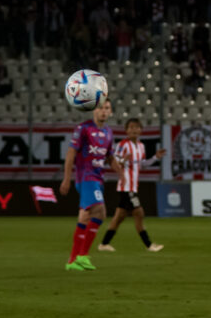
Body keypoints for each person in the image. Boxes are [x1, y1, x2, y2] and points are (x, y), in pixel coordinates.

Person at [58, 99, 123, 272]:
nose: (104, 111)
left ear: (110, 112)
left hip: (98, 179)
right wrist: (66, 178)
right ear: (94, 110)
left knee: (84, 217)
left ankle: (72, 260)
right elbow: (71, 154)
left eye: (107, 108)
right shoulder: (84, 128)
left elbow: (110, 157)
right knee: (100, 212)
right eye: (100, 108)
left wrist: (121, 173)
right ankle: (83, 256)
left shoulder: (108, 132)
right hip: (86, 178)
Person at [98, 117, 166, 253]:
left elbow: (142, 165)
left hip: (133, 186)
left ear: (141, 130)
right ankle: (149, 245)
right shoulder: (122, 145)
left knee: (118, 218)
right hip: (125, 186)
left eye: (136, 127)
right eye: (131, 127)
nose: (134, 130)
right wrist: (122, 160)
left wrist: (155, 158)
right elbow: (114, 162)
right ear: (126, 131)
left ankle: (104, 244)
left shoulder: (141, 146)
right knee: (139, 213)